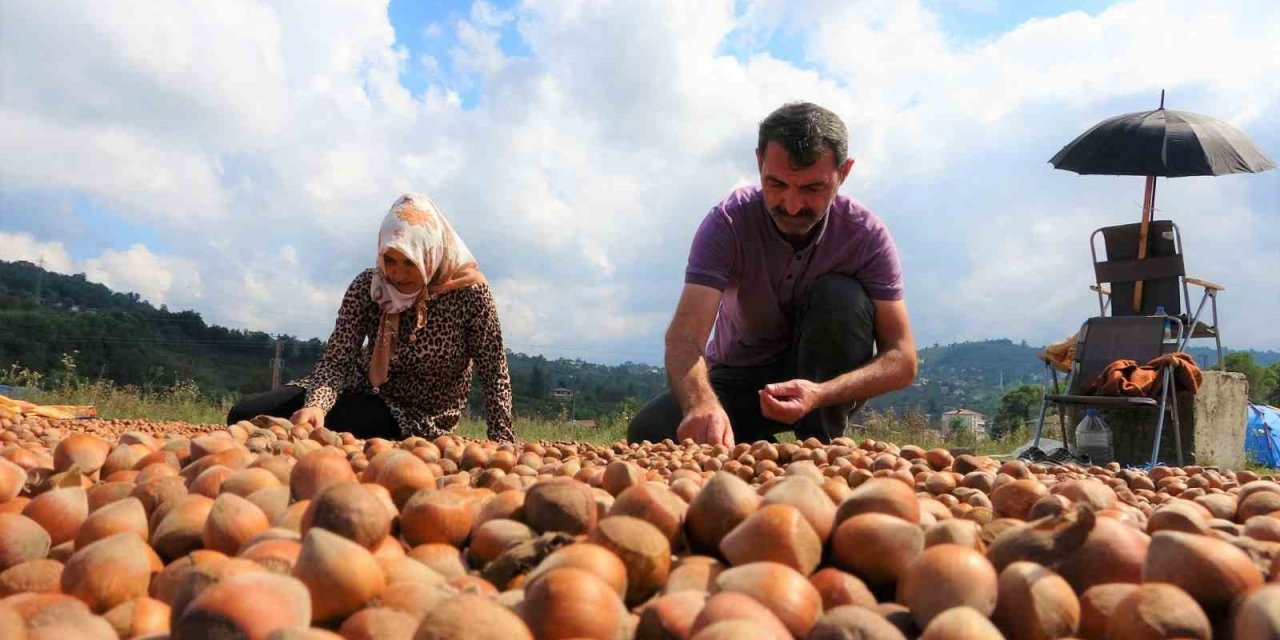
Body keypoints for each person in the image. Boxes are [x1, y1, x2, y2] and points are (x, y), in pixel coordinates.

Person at [628, 102, 917, 446]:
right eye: (776, 183)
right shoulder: (728, 223)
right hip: (738, 376)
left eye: (812, 188)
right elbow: (684, 338)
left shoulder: (865, 235)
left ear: (844, 172)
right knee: (650, 431)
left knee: (842, 297)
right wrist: (701, 405)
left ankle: (820, 445)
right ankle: (757, 445)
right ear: (759, 163)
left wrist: (820, 393)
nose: (791, 205)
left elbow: (902, 358)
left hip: (821, 381)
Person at [226, 193, 515, 443]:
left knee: (341, 422)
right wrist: (316, 405)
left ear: (430, 254)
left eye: (410, 262)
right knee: (245, 413)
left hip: (416, 415)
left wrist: (501, 442)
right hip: (357, 387)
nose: (397, 274)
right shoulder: (369, 286)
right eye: (389, 260)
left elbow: (494, 374)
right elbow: (336, 361)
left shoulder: (470, 294)